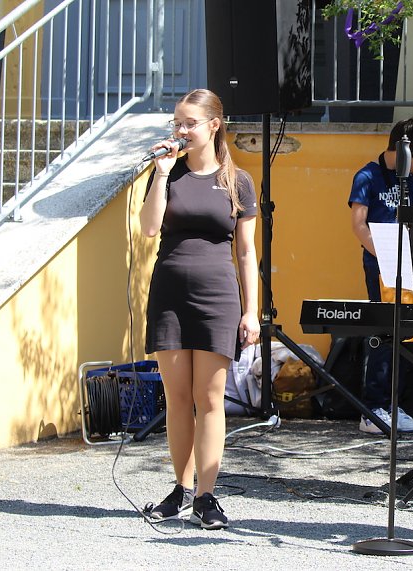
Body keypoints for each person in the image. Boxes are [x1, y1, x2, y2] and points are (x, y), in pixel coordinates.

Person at [139, 88, 260, 530]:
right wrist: (160, 172)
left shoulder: (238, 181)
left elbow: (247, 254)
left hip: (217, 296)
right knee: (178, 398)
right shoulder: (168, 176)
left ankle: (207, 497)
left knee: (210, 399)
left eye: (189, 123)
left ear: (213, 125)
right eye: (177, 123)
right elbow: (150, 228)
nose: (181, 130)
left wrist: (252, 312)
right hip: (169, 294)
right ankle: (181, 488)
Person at [348, 118, 413, 434]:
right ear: (403, 152)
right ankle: (373, 408)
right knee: (383, 334)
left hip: (408, 263)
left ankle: (392, 405)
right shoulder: (367, 176)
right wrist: (384, 253)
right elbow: (358, 224)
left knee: (407, 333)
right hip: (381, 264)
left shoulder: (411, 180)